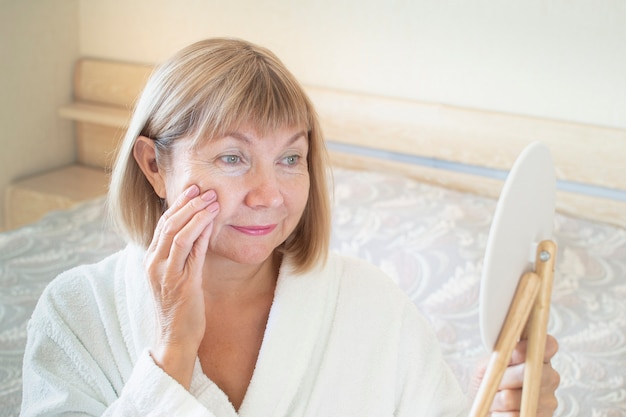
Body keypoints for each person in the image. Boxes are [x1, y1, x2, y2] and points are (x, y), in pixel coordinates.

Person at [20, 38, 559, 416]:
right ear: (153, 165)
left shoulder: (372, 305)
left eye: (290, 158)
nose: (270, 195)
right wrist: (171, 357)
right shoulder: (77, 313)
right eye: (232, 158)